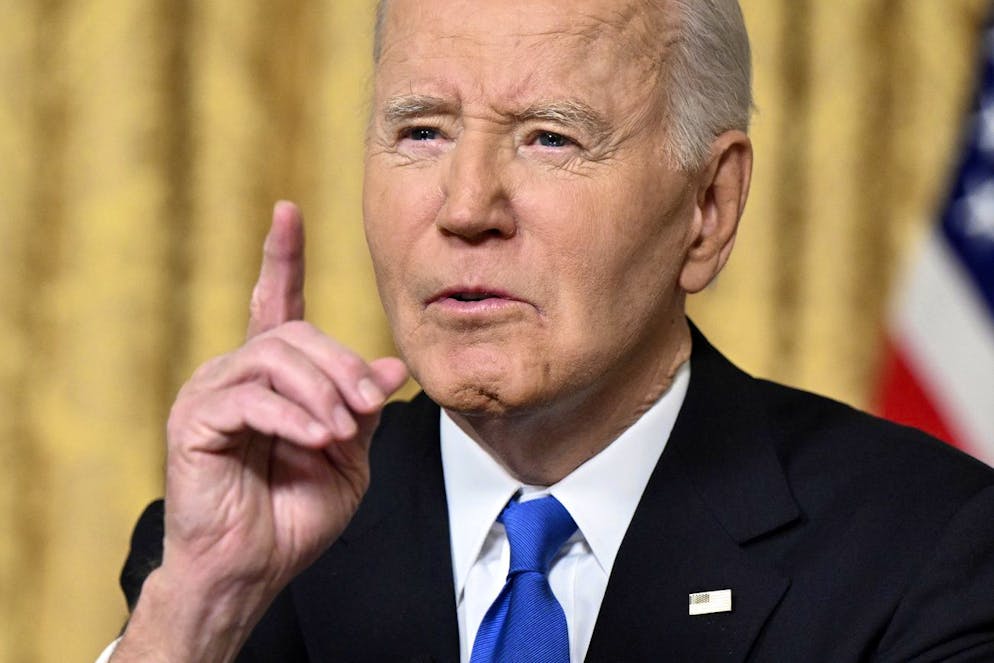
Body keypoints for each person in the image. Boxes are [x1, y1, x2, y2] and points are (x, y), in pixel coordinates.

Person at [104, 0, 994, 661]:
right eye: (421, 131)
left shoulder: (923, 553)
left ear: (709, 208)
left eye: (548, 139)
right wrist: (196, 608)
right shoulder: (235, 555)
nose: (465, 207)